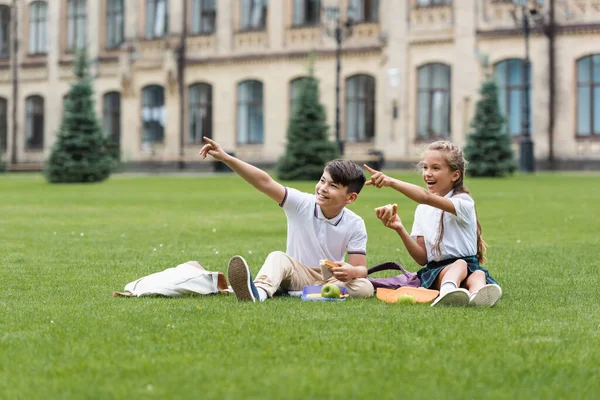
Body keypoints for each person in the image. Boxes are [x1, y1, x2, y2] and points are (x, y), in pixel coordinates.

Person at [199, 137, 374, 302]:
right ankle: (258, 293)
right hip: (296, 273)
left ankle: (305, 293)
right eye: (322, 181)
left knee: (365, 287)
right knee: (277, 257)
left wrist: (351, 271)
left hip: (332, 280)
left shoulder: (355, 223)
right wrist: (226, 158)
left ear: (350, 198)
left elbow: (361, 269)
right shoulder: (301, 203)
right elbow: (264, 182)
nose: (322, 188)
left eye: (333, 186)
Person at [365, 141, 501, 307]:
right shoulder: (422, 210)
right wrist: (399, 229)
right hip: (437, 271)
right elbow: (422, 258)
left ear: (455, 175)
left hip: (469, 265)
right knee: (460, 265)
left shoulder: (463, 202)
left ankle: (477, 294)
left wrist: (390, 181)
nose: (428, 173)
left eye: (436, 168)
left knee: (477, 273)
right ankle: (449, 291)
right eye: (425, 167)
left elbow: (425, 197)